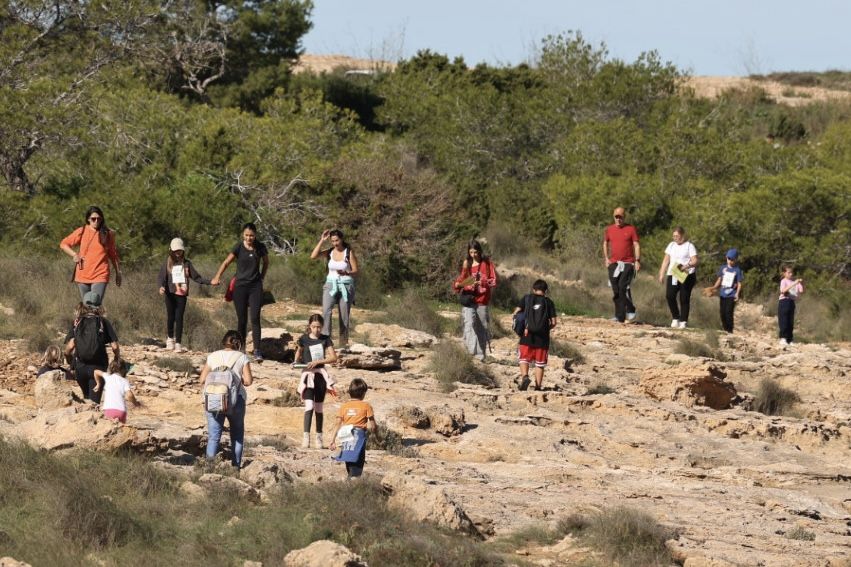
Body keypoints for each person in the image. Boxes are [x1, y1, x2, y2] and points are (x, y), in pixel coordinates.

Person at [211, 223, 269, 362]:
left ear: (255, 235)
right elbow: (226, 262)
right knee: (242, 319)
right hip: (240, 287)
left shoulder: (260, 247)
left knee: (255, 318)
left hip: (255, 287)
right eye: (247, 235)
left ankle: (257, 350)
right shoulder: (238, 247)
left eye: (252, 235)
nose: (249, 238)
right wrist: (217, 276)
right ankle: (241, 349)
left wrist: (262, 277)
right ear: (243, 235)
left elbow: (266, 262)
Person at [198, 330, 253, 469]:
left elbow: (202, 379)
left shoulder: (213, 356)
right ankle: (235, 468)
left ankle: (209, 468)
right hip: (236, 400)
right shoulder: (242, 357)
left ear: (224, 342)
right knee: (237, 435)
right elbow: (248, 381)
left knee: (213, 437)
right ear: (239, 343)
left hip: (213, 399)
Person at [157, 238, 214, 353]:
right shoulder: (167, 262)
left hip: (182, 295)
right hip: (170, 294)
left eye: (180, 250)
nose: (178, 252)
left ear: (183, 250)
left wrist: (210, 282)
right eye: (175, 250)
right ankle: (170, 339)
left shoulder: (187, 264)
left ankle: (178, 343)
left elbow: (197, 277)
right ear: (171, 251)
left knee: (179, 318)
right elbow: (161, 277)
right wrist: (161, 286)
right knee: (171, 317)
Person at [64, 291, 120, 403]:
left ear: (83, 304)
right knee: (94, 403)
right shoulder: (103, 322)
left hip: (80, 368)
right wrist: (117, 358)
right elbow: (114, 346)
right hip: (98, 368)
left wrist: (69, 361)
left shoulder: (77, 322)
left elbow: (70, 346)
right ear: (99, 306)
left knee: (86, 399)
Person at [60, 206, 122, 302]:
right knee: (86, 307)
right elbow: (64, 244)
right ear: (88, 219)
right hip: (82, 275)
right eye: (93, 219)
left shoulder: (108, 234)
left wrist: (118, 272)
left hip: (100, 275)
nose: (96, 221)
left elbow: (113, 254)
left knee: (94, 304)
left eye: (99, 219)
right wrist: (74, 255)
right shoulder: (82, 231)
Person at [295, 314, 339, 449]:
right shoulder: (303, 339)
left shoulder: (325, 339)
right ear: (309, 326)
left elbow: (333, 357)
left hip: (320, 376)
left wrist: (318, 362)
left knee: (319, 408)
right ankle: (306, 437)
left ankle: (319, 438)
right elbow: (299, 352)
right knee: (309, 406)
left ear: (322, 327)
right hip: (308, 376)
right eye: (314, 327)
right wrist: (296, 361)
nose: (316, 330)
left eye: (319, 327)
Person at [310, 229, 359, 345]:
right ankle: (326, 340)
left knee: (344, 315)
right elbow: (313, 256)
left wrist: (347, 273)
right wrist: (322, 240)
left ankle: (343, 342)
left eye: (337, 240)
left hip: (346, 285)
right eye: (332, 241)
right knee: (326, 311)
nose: (335, 243)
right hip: (330, 284)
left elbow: (356, 271)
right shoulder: (330, 251)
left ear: (341, 239)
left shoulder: (349, 252)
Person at [452, 239, 498, 361]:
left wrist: (481, 282)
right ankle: (472, 352)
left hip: (482, 300)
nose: (474, 255)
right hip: (469, 299)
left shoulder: (487, 264)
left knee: (481, 327)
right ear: (468, 252)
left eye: (476, 252)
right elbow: (462, 280)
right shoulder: (467, 263)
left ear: (480, 251)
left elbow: (493, 281)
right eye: (471, 252)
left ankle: (480, 355)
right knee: (469, 324)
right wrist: (461, 284)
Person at [513, 279, 558, 391]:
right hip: (542, 337)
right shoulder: (549, 302)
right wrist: (545, 329)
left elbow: (516, 313)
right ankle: (538, 387)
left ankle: (525, 377)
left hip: (527, 334)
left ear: (533, 289)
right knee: (540, 363)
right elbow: (554, 322)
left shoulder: (527, 298)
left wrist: (520, 327)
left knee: (524, 359)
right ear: (545, 291)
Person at [329, 378, 377, 479]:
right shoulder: (366, 406)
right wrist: (376, 435)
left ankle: (350, 478)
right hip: (358, 436)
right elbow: (373, 425)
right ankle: (352, 482)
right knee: (358, 461)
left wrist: (332, 440)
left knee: (349, 458)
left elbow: (337, 423)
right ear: (363, 393)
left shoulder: (344, 406)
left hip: (346, 435)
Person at [603, 207, 641, 323]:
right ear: (613, 217)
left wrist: (637, 260)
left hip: (628, 263)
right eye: (616, 217)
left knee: (622, 287)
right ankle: (619, 316)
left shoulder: (630, 229)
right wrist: (606, 258)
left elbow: (636, 245)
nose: (618, 219)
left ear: (624, 217)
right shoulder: (609, 229)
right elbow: (605, 243)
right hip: (614, 263)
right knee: (616, 289)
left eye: (621, 217)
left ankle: (630, 309)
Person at [658, 227, 699, 329]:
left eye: (677, 236)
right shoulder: (671, 245)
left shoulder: (689, 246)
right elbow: (666, 260)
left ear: (682, 235)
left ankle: (683, 321)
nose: (675, 238)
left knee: (684, 298)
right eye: (674, 236)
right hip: (673, 274)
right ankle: (675, 317)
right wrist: (662, 273)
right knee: (669, 295)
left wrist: (687, 265)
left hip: (686, 274)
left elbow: (695, 260)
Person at [93, 358, 139, 424]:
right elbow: (129, 395)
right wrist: (136, 403)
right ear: (123, 370)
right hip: (121, 412)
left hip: (109, 410)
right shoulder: (124, 381)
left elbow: (95, 371)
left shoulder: (107, 376)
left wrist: (98, 384)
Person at [710, 249, 744, 333]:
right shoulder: (723, 268)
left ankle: (729, 330)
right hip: (722, 294)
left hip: (731, 295)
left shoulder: (737, 270)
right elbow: (719, 279)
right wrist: (714, 288)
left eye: (732, 259)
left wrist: (737, 294)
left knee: (729, 312)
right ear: (726, 258)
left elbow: (739, 283)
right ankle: (725, 329)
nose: (730, 261)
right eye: (728, 259)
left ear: (736, 259)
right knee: (722, 313)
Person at [778, 265, 805, 347]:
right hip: (784, 301)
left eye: (791, 272)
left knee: (790, 321)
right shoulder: (784, 281)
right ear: (784, 273)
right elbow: (783, 291)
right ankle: (783, 338)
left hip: (792, 302)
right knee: (784, 320)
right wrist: (794, 283)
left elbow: (801, 290)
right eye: (788, 272)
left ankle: (790, 339)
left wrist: (799, 283)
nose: (791, 274)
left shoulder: (794, 281)